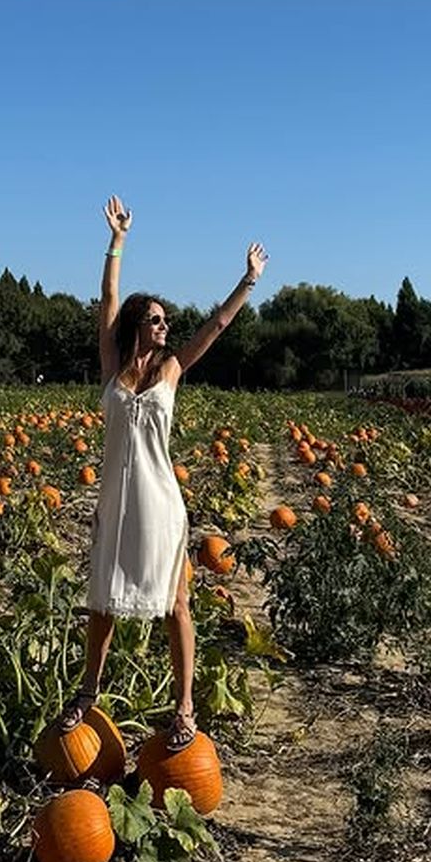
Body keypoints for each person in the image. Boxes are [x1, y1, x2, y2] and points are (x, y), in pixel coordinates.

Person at [58, 194, 268, 753]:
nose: (164, 326)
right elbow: (106, 297)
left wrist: (247, 281)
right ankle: (87, 693)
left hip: (160, 504)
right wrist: (117, 242)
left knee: (176, 604)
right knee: (101, 602)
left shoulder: (172, 370)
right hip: (114, 501)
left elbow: (216, 326)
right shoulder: (112, 365)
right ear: (135, 326)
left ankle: (185, 707)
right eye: (155, 320)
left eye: (166, 320)